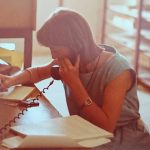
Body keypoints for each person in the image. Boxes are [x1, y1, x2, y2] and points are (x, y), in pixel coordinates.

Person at [0, 7, 150, 150]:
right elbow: (37, 73)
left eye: (56, 49)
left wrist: (74, 83)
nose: (53, 56)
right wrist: (10, 81)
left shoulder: (118, 71)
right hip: (84, 129)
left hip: (122, 136)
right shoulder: (69, 60)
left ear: (76, 45)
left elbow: (106, 127)